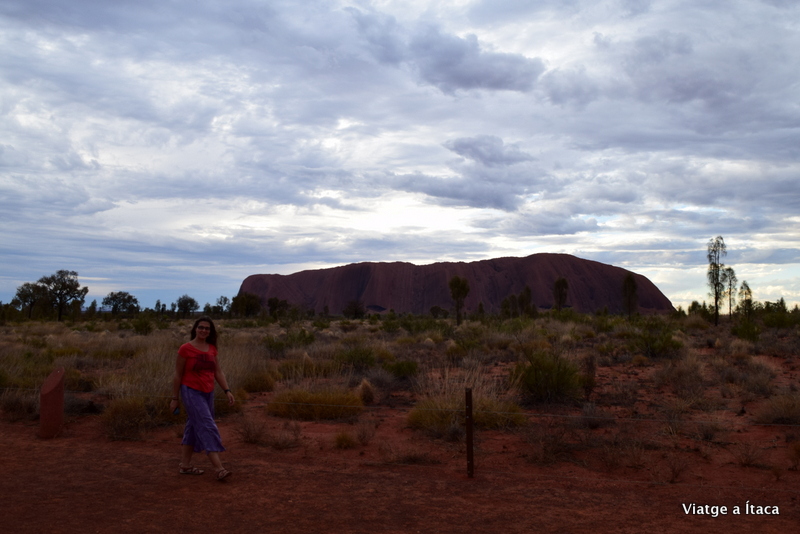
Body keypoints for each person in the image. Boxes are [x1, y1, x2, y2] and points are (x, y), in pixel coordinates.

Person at [169, 316, 235, 480]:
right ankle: (219, 468)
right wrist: (175, 398)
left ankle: (185, 465)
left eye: (207, 328)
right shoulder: (186, 349)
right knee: (206, 425)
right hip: (191, 391)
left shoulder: (212, 348)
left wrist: (227, 390)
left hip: (208, 392)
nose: (204, 330)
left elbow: (217, 372)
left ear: (210, 331)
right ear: (195, 329)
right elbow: (177, 375)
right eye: (201, 327)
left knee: (193, 426)